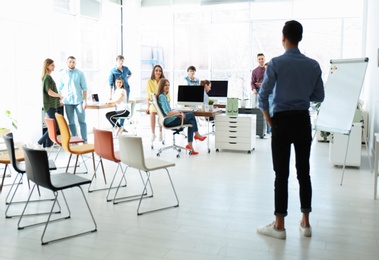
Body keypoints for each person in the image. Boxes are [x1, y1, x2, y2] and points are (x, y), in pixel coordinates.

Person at [257, 20, 325, 239]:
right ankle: (305, 224)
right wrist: (302, 93)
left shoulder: (275, 64)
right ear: (300, 38)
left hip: (282, 122)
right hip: (303, 121)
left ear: (283, 37)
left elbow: (262, 97)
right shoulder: (313, 65)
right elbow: (319, 96)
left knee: (281, 175)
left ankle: (279, 226)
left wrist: (270, 122)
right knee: (304, 173)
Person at [157, 79, 206, 155]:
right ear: (161, 86)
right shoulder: (162, 97)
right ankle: (197, 135)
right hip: (170, 121)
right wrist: (179, 113)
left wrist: (178, 113)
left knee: (191, 122)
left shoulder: (163, 96)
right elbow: (168, 112)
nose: (167, 87)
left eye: (168, 85)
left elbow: (169, 111)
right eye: (165, 85)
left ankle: (190, 145)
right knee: (191, 114)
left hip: (170, 119)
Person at [59, 56, 88, 142]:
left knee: (82, 121)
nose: (72, 63)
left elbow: (84, 88)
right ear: (67, 63)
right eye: (70, 62)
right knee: (71, 122)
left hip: (79, 101)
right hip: (67, 102)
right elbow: (59, 88)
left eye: (73, 62)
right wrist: (60, 99)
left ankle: (84, 140)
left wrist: (85, 101)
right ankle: (75, 139)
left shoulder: (80, 73)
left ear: (75, 63)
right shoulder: (63, 73)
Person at [37, 58, 63, 148]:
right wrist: (59, 96)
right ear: (47, 66)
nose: (54, 66)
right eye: (52, 65)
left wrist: (58, 102)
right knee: (54, 127)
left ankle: (47, 145)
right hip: (50, 106)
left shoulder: (46, 77)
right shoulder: (47, 77)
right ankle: (39, 143)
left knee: (52, 127)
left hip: (51, 105)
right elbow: (50, 92)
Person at [145, 65, 169, 142]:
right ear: (154, 72)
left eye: (160, 70)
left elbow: (167, 93)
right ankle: (153, 133)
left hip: (163, 101)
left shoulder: (164, 81)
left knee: (161, 112)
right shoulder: (149, 82)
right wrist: (148, 107)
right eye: (156, 70)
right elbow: (149, 96)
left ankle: (160, 132)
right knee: (152, 111)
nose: (158, 72)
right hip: (154, 103)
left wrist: (167, 104)